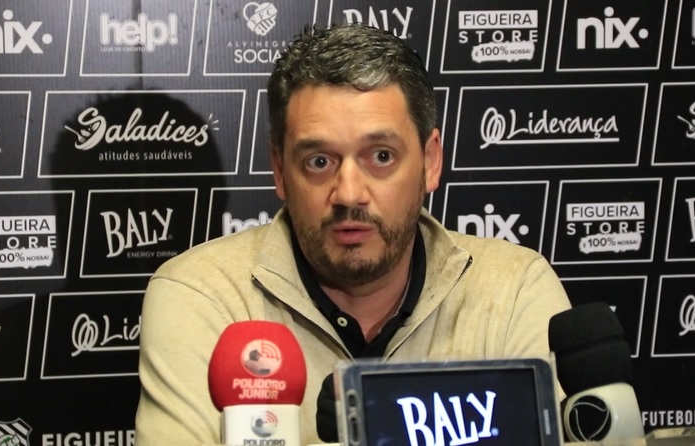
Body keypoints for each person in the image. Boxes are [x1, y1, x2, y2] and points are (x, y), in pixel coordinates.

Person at [134, 23, 571, 445]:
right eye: (319, 162)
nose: (348, 193)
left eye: (380, 156)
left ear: (430, 161)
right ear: (280, 171)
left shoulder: (513, 288)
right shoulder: (202, 295)